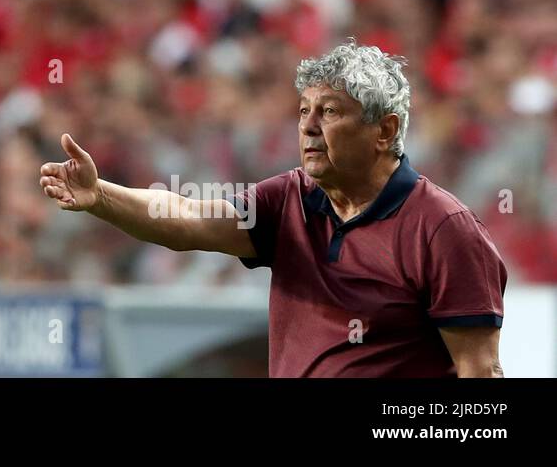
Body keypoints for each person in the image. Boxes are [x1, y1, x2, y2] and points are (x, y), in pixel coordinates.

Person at [39, 40, 507, 377]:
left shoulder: (445, 229)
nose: (308, 128)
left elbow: (480, 375)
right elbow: (185, 218)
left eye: (330, 112)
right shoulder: (288, 199)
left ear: (384, 131)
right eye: (304, 111)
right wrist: (101, 195)